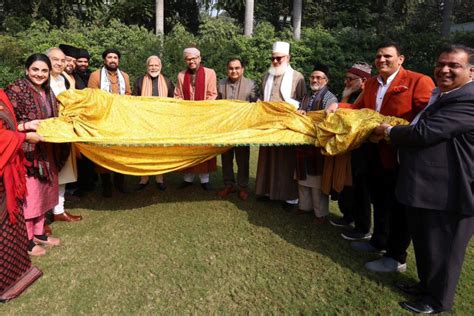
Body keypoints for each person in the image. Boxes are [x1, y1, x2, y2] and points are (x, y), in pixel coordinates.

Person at [374, 44, 474, 314]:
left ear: (471, 71)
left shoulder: (468, 100)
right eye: (441, 64)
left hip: (452, 191)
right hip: (429, 188)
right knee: (428, 245)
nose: (444, 69)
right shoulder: (443, 95)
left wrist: (390, 131)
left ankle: (437, 301)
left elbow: (424, 133)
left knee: (445, 251)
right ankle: (426, 285)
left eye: (454, 65)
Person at [338, 42, 435, 273]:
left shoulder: (418, 81)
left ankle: (396, 257)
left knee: (399, 207)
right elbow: (358, 110)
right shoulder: (371, 83)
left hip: (402, 156)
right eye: (378, 56)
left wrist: (396, 131)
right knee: (380, 201)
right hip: (375, 152)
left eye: (387, 56)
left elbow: (427, 117)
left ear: (400, 59)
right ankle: (378, 241)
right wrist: (337, 106)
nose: (382, 60)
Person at [5, 53, 64, 256]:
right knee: (31, 197)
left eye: (44, 71)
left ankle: (40, 233)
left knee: (45, 193)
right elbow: (5, 124)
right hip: (26, 152)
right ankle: (28, 240)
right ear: (27, 70)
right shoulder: (15, 90)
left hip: (46, 151)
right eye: (35, 69)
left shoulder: (48, 91)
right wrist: (25, 127)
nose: (39, 74)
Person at [0, 89, 43, 301]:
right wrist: (25, 136)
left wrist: (25, 126)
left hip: (8, 170)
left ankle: (16, 274)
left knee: (11, 225)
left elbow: (7, 126)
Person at [256, 41, 306, 211]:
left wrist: (289, 105)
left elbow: (302, 102)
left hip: (286, 125)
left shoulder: (298, 77)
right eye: (273, 58)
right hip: (268, 123)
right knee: (268, 158)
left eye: (279, 58)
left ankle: (290, 198)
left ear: (288, 58)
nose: (276, 62)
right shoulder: (266, 76)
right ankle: (269, 192)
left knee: (286, 161)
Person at [330, 62, 372, 229]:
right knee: (345, 184)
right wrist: (345, 97)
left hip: (362, 149)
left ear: (363, 81)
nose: (346, 82)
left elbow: (353, 114)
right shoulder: (350, 94)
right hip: (346, 147)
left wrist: (344, 101)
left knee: (360, 188)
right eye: (345, 78)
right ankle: (347, 216)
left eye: (350, 79)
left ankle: (361, 225)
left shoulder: (367, 95)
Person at [295, 63, 337, 223]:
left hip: (318, 144)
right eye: (312, 77)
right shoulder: (305, 96)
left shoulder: (329, 97)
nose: (315, 80)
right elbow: (300, 111)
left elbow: (329, 120)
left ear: (326, 80)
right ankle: (304, 207)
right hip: (303, 142)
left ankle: (320, 213)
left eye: (318, 77)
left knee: (317, 181)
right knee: (302, 177)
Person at [46, 47, 82, 222]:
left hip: (64, 131)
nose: (60, 63)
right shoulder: (41, 79)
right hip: (46, 133)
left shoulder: (65, 79)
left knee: (63, 173)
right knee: (44, 174)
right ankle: (41, 215)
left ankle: (58, 210)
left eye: (63, 60)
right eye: (55, 59)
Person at [88, 48, 131, 197]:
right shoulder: (95, 76)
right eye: (109, 57)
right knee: (103, 152)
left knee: (121, 150)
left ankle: (119, 183)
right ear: (104, 60)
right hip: (102, 120)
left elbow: (128, 95)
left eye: (115, 57)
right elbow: (92, 97)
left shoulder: (124, 76)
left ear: (118, 60)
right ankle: (106, 185)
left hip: (120, 120)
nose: (112, 60)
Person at [174, 47, 218, 190]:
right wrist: (185, 109)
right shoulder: (181, 75)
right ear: (185, 60)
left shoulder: (210, 73)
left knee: (203, 147)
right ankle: (188, 178)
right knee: (188, 148)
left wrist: (200, 111)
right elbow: (178, 95)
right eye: (188, 59)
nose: (191, 61)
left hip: (204, 117)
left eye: (194, 58)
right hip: (186, 118)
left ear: (199, 58)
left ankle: (205, 179)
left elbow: (212, 94)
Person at [216, 57, 258, 201]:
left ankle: (243, 187)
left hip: (242, 128)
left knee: (242, 159)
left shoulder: (250, 84)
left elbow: (255, 104)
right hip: (226, 128)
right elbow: (216, 105)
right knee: (226, 158)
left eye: (237, 68)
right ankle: (229, 184)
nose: (233, 71)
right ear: (227, 69)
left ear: (242, 69)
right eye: (231, 68)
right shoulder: (221, 84)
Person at [133, 55, 174, 191]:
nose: (154, 68)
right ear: (147, 67)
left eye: (156, 65)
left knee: (159, 151)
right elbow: (133, 101)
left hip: (161, 123)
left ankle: (159, 178)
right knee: (143, 151)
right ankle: (143, 178)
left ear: (161, 67)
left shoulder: (168, 82)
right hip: (143, 122)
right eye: (151, 65)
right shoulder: (139, 81)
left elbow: (173, 102)